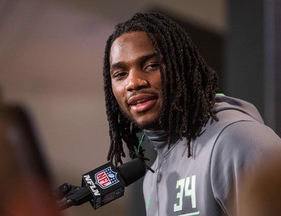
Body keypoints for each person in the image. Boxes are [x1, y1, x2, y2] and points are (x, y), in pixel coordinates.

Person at [102, 12, 281, 215]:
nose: (133, 83)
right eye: (120, 74)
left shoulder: (238, 140)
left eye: (151, 65)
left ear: (183, 68)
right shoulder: (154, 174)